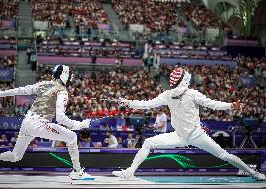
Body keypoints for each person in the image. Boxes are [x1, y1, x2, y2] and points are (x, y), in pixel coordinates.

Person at [113, 67, 265, 181]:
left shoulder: (192, 94)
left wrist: (231, 105)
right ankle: (129, 173)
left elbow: (213, 104)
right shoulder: (168, 95)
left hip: (196, 135)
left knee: (224, 155)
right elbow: (146, 104)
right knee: (148, 142)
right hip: (178, 136)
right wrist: (127, 102)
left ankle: (254, 173)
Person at [0, 65, 92, 180]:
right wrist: (80, 125)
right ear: (64, 75)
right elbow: (60, 118)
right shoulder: (62, 91)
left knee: (16, 156)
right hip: (39, 124)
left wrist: (0, 93)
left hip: (26, 122)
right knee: (72, 136)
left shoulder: (43, 84)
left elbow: (21, 90)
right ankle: (77, 171)